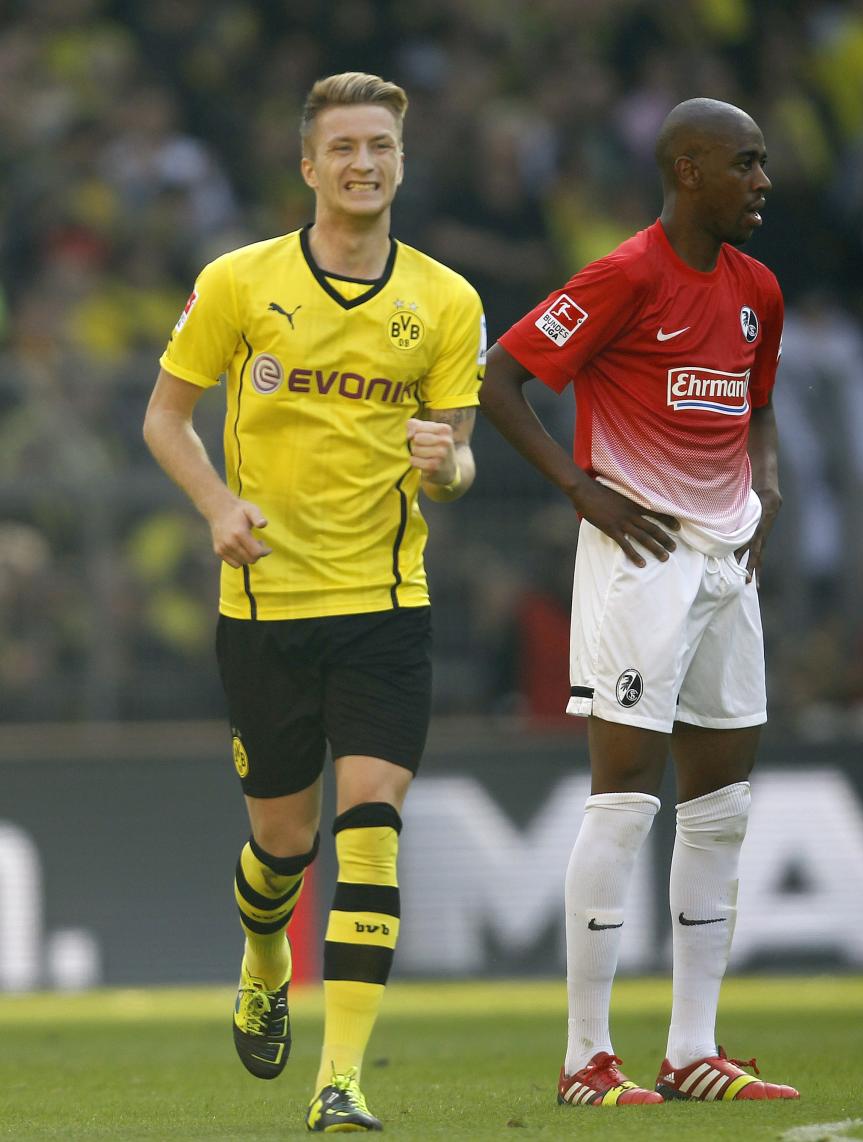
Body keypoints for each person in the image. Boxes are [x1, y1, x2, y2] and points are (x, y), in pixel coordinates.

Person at [143, 72, 485, 1133]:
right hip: (265, 606)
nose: (363, 163)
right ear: (308, 165)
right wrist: (215, 505)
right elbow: (164, 417)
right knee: (283, 845)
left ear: (400, 158)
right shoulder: (241, 283)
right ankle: (259, 957)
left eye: (380, 144)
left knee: (371, 826)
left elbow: (458, 461)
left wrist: (447, 464)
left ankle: (340, 1079)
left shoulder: (447, 299)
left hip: (385, 603)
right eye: (343, 146)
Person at [479, 97, 799, 1107]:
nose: (763, 182)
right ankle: (585, 1057)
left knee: (723, 804)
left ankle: (691, 1049)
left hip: (725, 561)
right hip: (639, 556)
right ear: (690, 168)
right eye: (746, 165)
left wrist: (769, 480)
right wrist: (581, 488)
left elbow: (758, 406)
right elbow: (500, 379)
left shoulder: (760, 290)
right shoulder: (623, 275)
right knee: (624, 793)